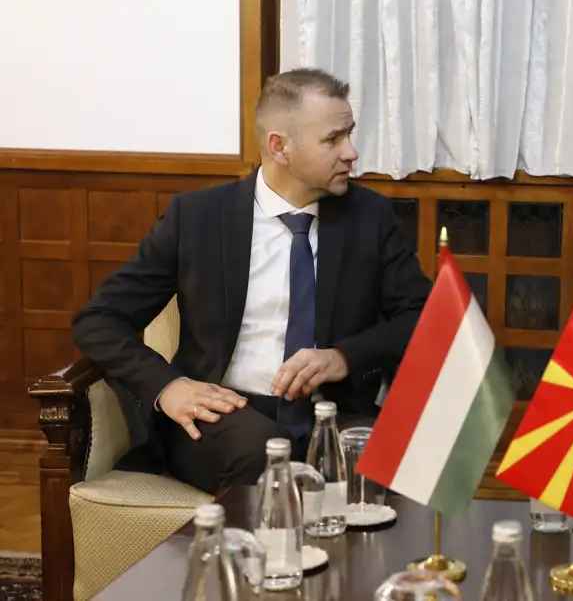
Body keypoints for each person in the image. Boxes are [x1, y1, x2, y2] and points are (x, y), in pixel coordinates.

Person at [72, 68, 433, 495]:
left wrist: (343, 356)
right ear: (280, 147)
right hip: (225, 415)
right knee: (262, 453)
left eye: (349, 134)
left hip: (331, 411)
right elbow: (99, 319)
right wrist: (168, 386)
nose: (351, 152)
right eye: (333, 139)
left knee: (387, 458)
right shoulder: (198, 218)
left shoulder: (370, 218)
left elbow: (423, 317)